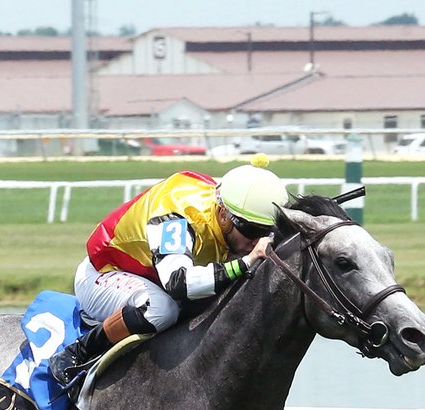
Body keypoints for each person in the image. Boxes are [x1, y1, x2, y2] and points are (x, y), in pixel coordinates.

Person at [49, 155, 290, 389]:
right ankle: (77, 353)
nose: (258, 241)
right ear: (224, 215)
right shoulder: (175, 216)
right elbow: (179, 283)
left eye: (267, 232)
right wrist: (246, 262)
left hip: (154, 276)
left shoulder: (228, 207)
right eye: (252, 231)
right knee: (162, 309)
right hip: (105, 273)